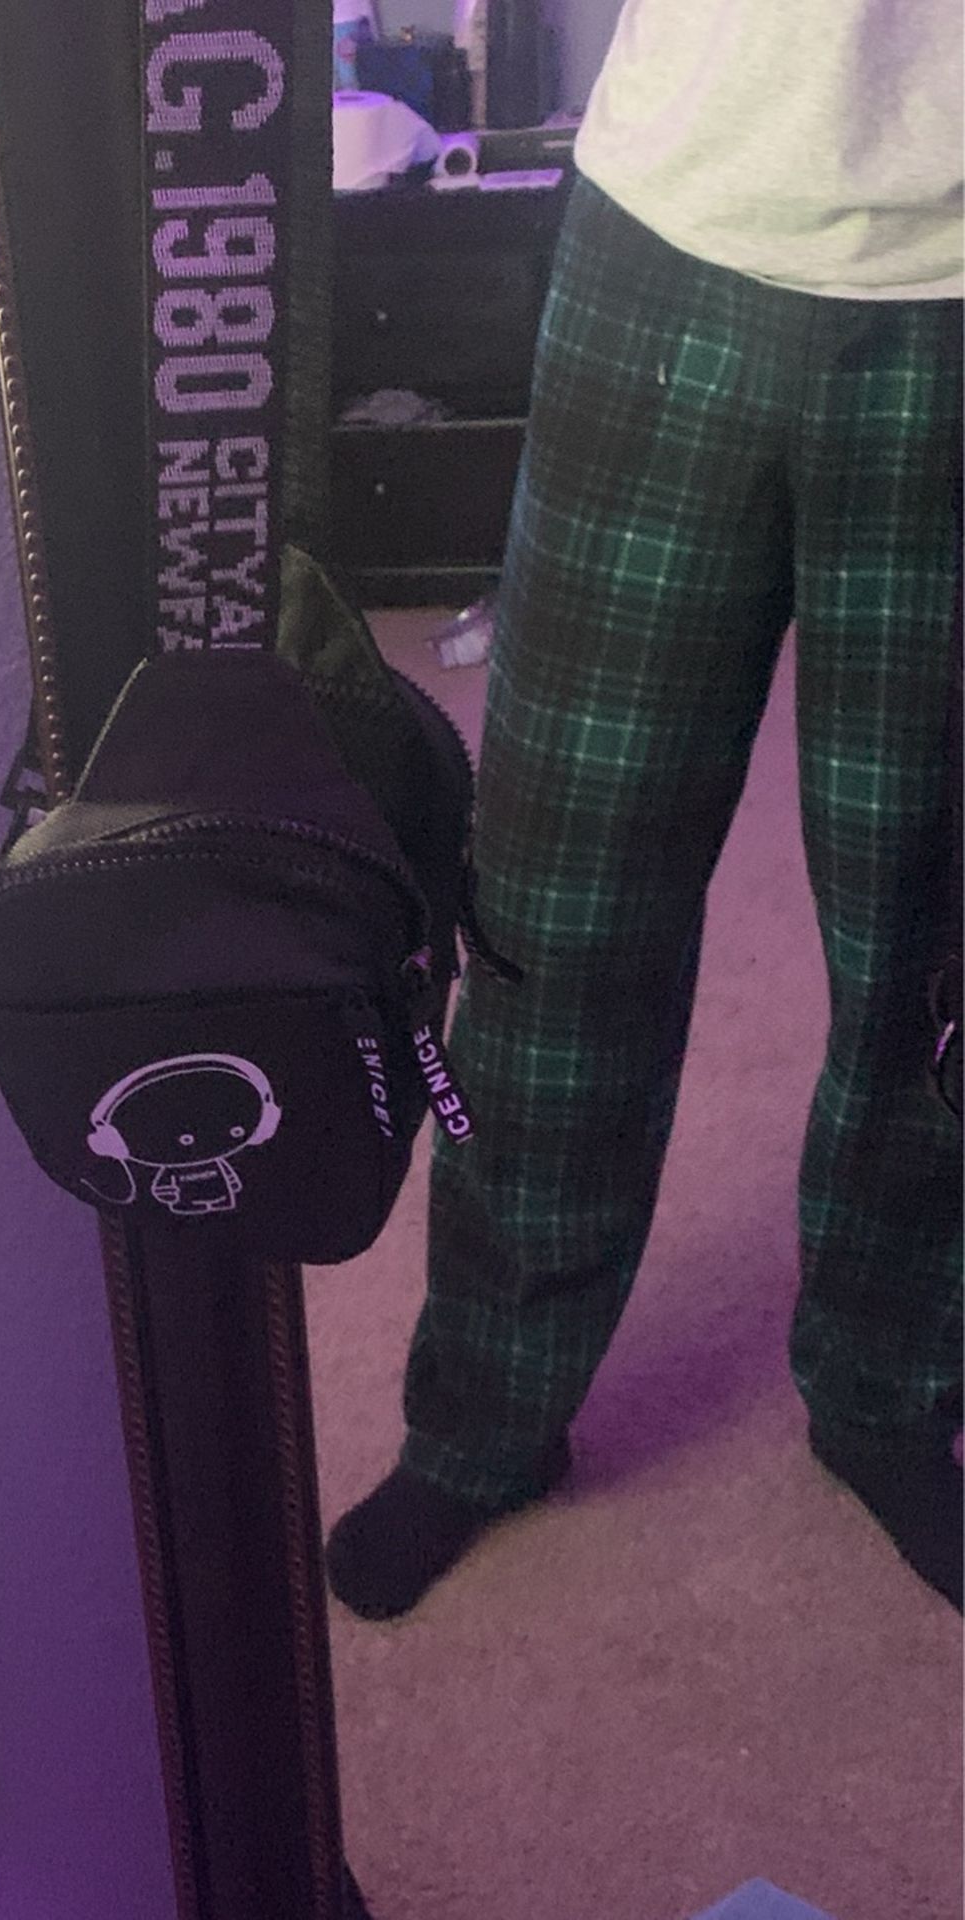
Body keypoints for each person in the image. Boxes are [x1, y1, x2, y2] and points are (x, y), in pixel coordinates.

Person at [325, 0, 964, 1618]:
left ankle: (891, 1390)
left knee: (939, 940)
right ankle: (484, 1417)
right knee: (556, 907)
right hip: (671, 227)